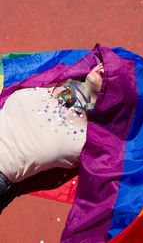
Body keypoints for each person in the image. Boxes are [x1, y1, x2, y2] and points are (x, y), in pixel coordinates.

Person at [0, 62, 104, 196]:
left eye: (115, 72)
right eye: (106, 61)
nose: (105, 67)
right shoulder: (49, 77)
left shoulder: (86, 139)